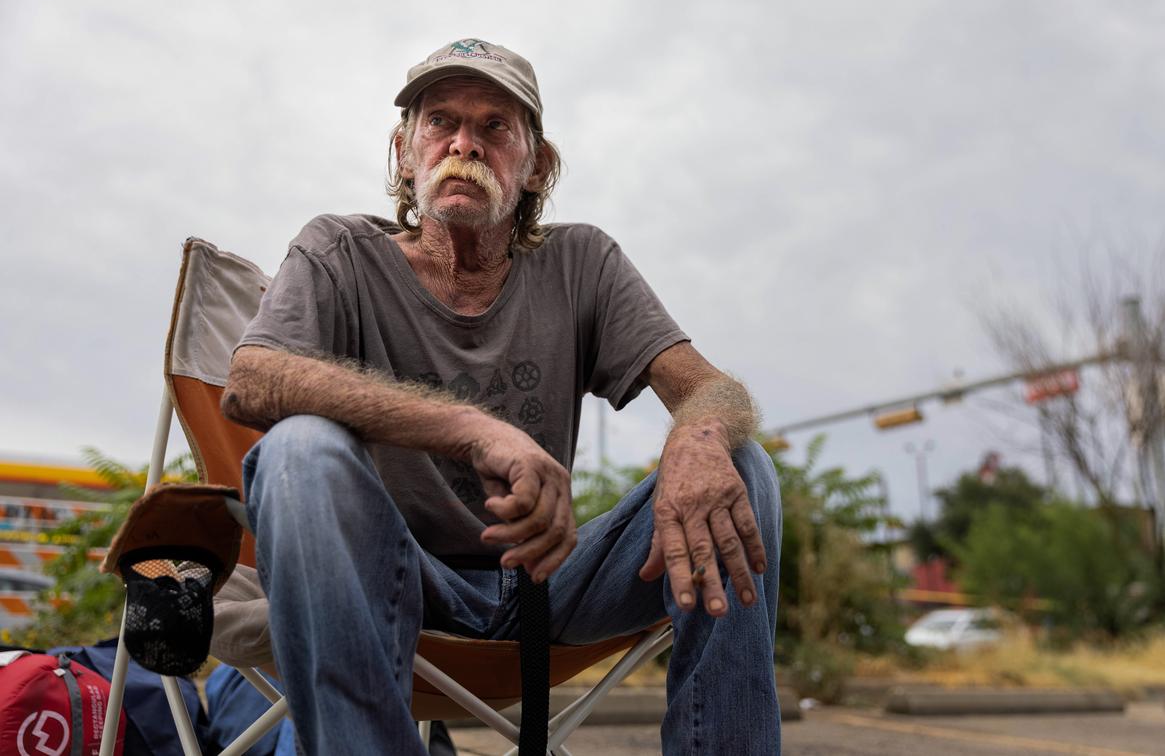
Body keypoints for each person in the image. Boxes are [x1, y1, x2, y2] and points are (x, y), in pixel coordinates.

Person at [220, 38, 782, 755]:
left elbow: (712, 390)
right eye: (440, 123)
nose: (465, 144)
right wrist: (471, 428)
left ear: (535, 164)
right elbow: (255, 379)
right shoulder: (339, 252)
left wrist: (696, 441)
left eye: (494, 127)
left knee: (743, 467)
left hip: (550, 582)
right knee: (300, 449)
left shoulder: (582, 263)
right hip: (397, 578)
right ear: (403, 151)